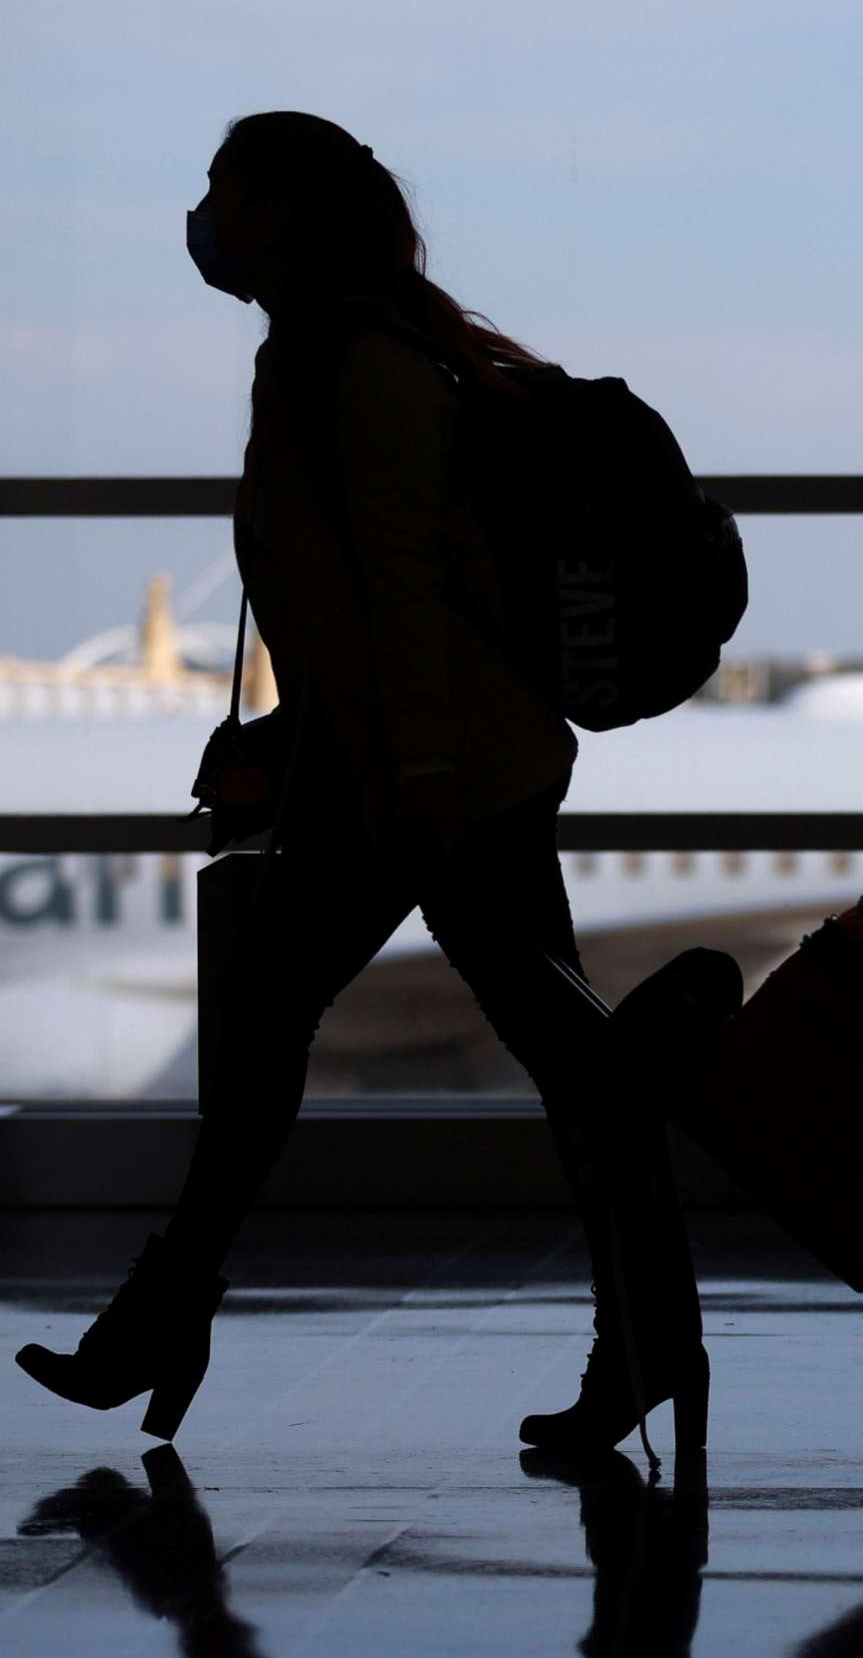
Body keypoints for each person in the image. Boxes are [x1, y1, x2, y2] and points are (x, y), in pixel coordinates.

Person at [14, 112, 703, 1455]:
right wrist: (299, 732)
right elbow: (344, 596)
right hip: (399, 762)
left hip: (435, 775)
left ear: (286, 217)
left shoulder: (362, 366)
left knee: (336, 1035)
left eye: (227, 190)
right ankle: (649, 1339)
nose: (202, 216)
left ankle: (161, 1323)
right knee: (545, 1057)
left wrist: (426, 776)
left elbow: (401, 590)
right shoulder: (337, 354)